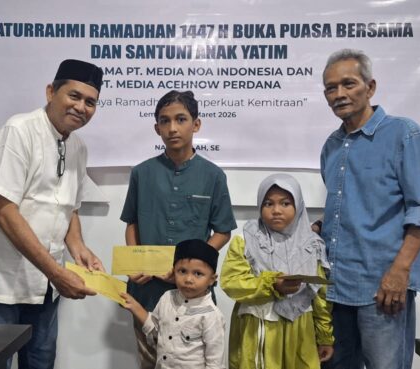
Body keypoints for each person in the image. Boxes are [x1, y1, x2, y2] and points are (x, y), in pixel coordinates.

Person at [0, 59, 105, 369]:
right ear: (51, 92)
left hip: (44, 287)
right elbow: (5, 213)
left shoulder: (78, 147)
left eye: (90, 102)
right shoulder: (18, 131)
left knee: (41, 363)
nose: (81, 107)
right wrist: (57, 273)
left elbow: (69, 207)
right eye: (74, 96)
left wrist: (79, 249)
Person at [318, 49, 420, 369]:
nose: (339, 94)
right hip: (336, 288)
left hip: (383, 290)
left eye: (348, 84)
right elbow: (349, 209)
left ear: (370, 87)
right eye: (331, 88)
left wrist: (399, 273)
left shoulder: (404, 134)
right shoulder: (331, 146)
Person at [120, 90, 237, 369]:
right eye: (165, 121)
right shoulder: (141, 173)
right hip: (147, 291)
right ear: (156, 128)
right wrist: (135, 262)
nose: (172, 128)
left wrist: (191, 266)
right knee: (151, 362)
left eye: (181, 119)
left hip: (194, 297)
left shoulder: (213, 176)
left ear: (196, 124)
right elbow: (131, 222)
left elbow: (223, 231)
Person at [221, 174, 334, 369]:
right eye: (268, 204)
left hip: (300, 330)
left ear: (298, 205)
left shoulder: (312, 245)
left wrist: (325, 336)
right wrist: (271, 284)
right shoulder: (246, 239)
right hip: (259, 327)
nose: (276, 211)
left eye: (285, 203)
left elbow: (319, 295)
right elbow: (232, 282)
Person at [121, 239, 226, 369]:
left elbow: (215, 364)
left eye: (198, 273)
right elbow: (155, 331)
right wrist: (135, 306)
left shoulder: (212, 316)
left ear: (212, 279)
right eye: (182, 271)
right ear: (173, 271)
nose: (188, 279)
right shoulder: (167, 297)